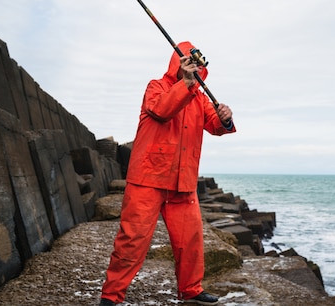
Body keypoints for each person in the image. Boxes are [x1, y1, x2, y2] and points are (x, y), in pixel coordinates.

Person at [99, 41, 236, 305]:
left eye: (196, 65)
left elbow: (216, 125)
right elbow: (161, 110)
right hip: (147, 178)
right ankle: (111, 296)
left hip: (182, 182)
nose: (193, 68)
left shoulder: (199, 97)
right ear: (178, 62)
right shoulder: (156, 86)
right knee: (132, 240)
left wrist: (225, 117)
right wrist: (184, 83)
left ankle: (191, 290)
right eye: (188, 62)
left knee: (191, 242)